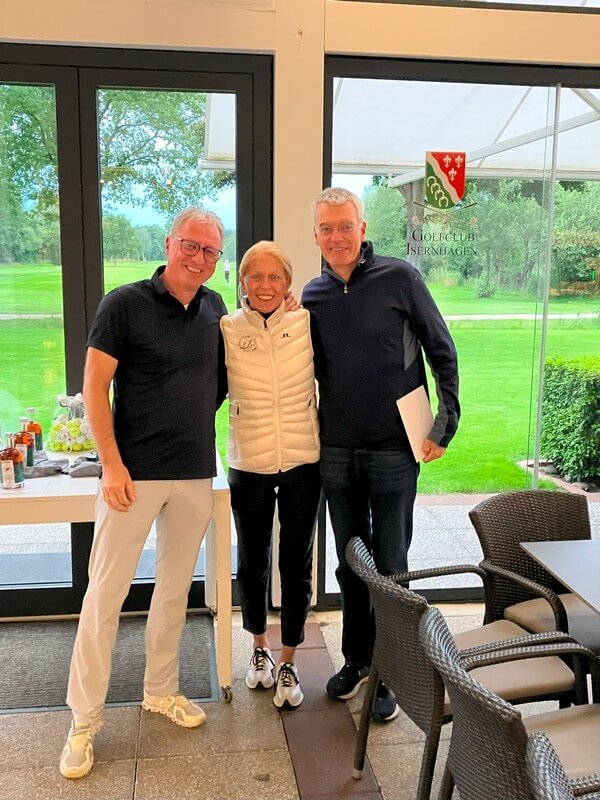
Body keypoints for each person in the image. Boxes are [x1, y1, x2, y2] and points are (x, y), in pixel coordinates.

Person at [59, 207, 228, 780]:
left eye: (210, 250)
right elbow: (94, 388)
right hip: (131, 476)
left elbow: (217, 385)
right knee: (105, 596)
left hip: (194, 473)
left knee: (175, 590)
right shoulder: (123, 304)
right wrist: (110, 465)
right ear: (169, 243)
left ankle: (161, 690)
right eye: (190, 245)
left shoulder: (215, 308)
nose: (198, 258)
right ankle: (83, 722)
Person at [302, 187, 460, 723]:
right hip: (336, 450)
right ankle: (357, 660)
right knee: (351, 563)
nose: (337, 236)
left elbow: (441, 348)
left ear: (362, 228)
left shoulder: (400, 278)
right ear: (316, 235)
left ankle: (392, 672)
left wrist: (445, 423)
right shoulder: (313, 295)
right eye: (327, 228)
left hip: (395, 448)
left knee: (391, 567)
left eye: (345, 225)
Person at [220, 241, 321, 710]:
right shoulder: (226, 327)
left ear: (288, 283)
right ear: (242, 281)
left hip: (303, 462)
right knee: (252, 561)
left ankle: (289, 659)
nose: (265, 285)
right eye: (255, 276)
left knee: (296, 564)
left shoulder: (306, 322)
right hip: (248, 464)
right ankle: (258, 648)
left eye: (274, 277)